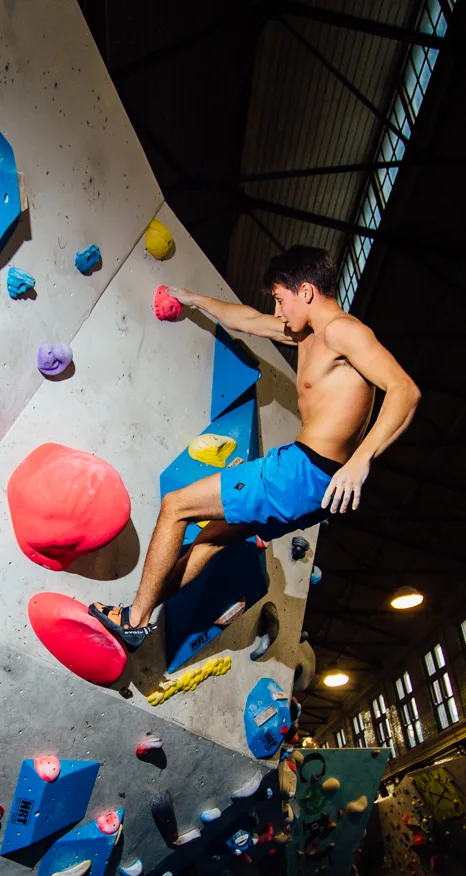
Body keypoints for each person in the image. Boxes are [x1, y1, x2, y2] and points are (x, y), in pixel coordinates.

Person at [91, 245, 420, 652]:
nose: (278, 312)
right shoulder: (307, 334)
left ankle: (134, 620)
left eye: (280, 299)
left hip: (303, 471)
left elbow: (405, 390)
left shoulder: (342, 331)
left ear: (306, 291)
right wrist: (192, 298)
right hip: (312, 483)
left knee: (176, 506)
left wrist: (360, 461)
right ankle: (140, 618)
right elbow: (247, 320)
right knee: (210, 541)